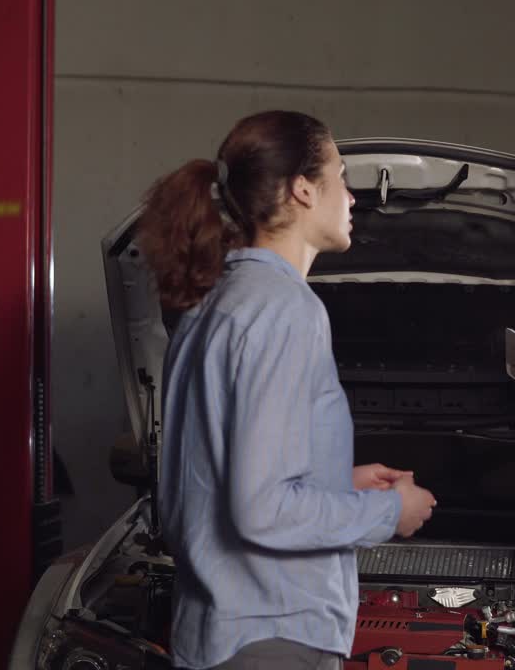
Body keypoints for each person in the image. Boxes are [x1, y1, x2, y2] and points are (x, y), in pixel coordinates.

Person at [134, 110, 437, 670]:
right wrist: (386, 512)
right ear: (303, 190)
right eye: (341, 177)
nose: (351, 198)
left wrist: (337, 484)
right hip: (272, 634)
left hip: (217, 629)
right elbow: (262, 511)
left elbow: (210, 478)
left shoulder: (212, 305)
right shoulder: (286, 310)